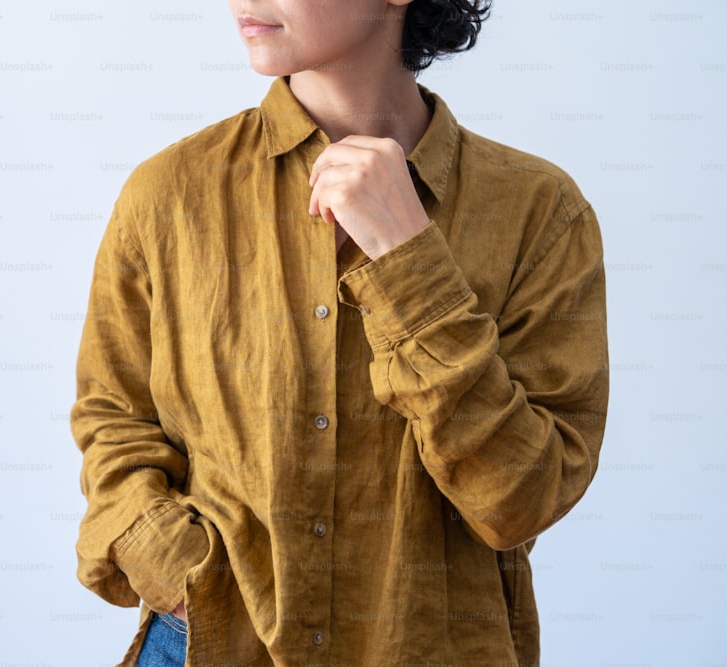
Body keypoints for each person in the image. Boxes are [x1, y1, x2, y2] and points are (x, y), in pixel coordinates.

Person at [71, 0, 609, 665]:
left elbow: (520, 497)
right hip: (208, 643)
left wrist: (408, 259)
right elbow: (113, 422)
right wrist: (185, 574)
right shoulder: (170, 193)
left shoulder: (539, 212)